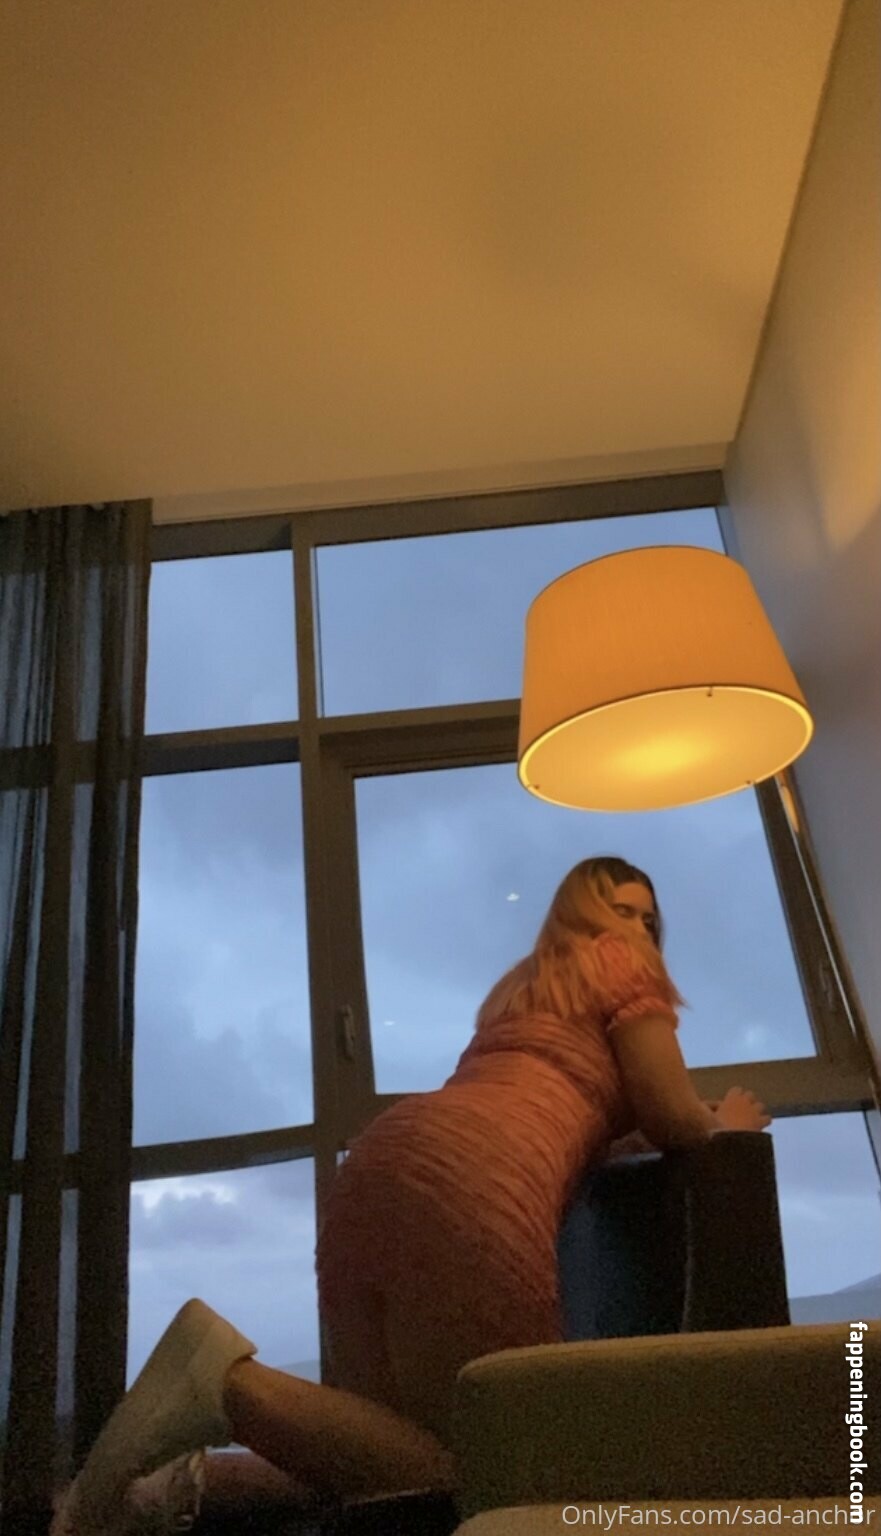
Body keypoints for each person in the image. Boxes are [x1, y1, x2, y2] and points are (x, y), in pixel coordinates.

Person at [52, 855, 771, 1534]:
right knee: (490, 1473)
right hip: (478, 1188)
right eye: (622, 911)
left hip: (384, 1163)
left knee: (381, 1452)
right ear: (581, 915)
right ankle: (221, 1379)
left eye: (649, 920)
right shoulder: (623, 963)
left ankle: (182, 1487)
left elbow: (563, 1112)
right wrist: (725, 1125)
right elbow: (670, 1114)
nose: (639, 930)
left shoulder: (523, 992)